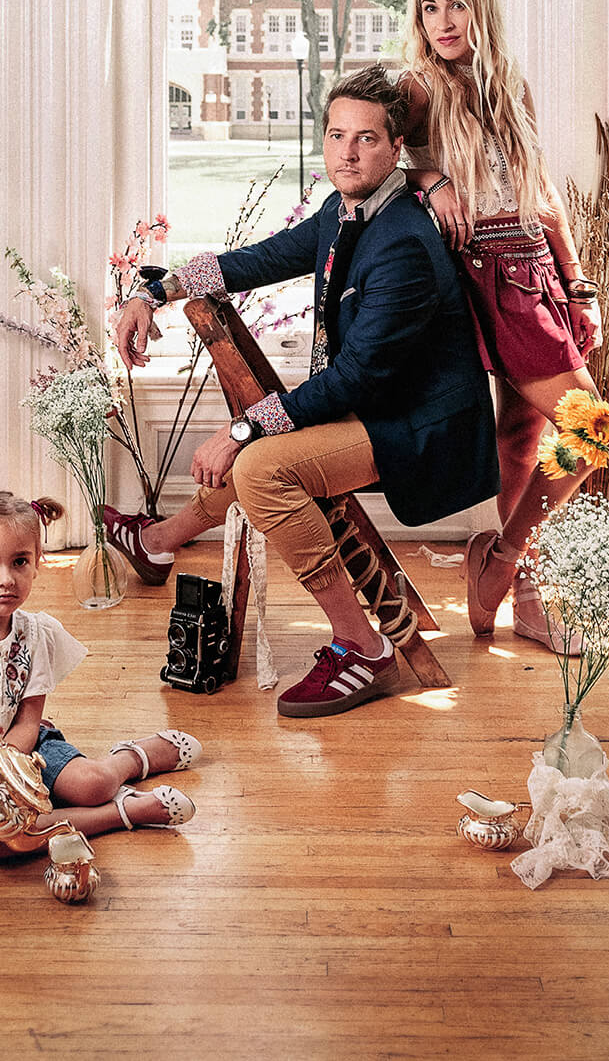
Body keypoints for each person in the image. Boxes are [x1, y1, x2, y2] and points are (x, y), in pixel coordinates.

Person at [108, 64, 499, 718]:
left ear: (396, 148)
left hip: (421, 430)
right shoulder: (340, 210)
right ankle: (155, 544)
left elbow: (354, 379)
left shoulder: (402, 239)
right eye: (337, 135)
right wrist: (154, 291)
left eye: (367, 138)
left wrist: (240, 431)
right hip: (374, 408)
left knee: (260, 466)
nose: (348, 152)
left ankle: (362, 647)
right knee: (260, 455)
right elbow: (254, 259)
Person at [397, 0, 601, 647]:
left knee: (525, 437)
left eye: (456, 4)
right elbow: (366, 152)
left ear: (481, 6)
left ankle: (524, 595)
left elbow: (540, 191)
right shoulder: (416, 87)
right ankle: (507, 565)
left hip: (535, 265)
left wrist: (579, 282)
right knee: (594, 429)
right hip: (479, 269)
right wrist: (431, 182)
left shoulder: (509, 82)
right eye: (430, 7)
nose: (443, 21)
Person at [0, 489, 202, 853]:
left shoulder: (35, 633)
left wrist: (6, 770)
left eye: (19, 562)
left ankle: (131, 758)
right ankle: (125, 812)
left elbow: (29, 721)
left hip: (21, 752)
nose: (6, 579)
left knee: (92, 784)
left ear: (37, 561)